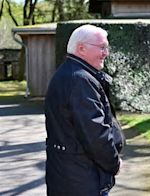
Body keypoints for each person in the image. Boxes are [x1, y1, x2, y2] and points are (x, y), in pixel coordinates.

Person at [45, 24, 125, 196]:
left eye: (107, 47)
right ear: (81, 48)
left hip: (71, 176)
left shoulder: (71, 74)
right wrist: (114, 163)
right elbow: (95, 134)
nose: (106, 53)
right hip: (81, 179)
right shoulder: (80, 80)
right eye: (102, 47)